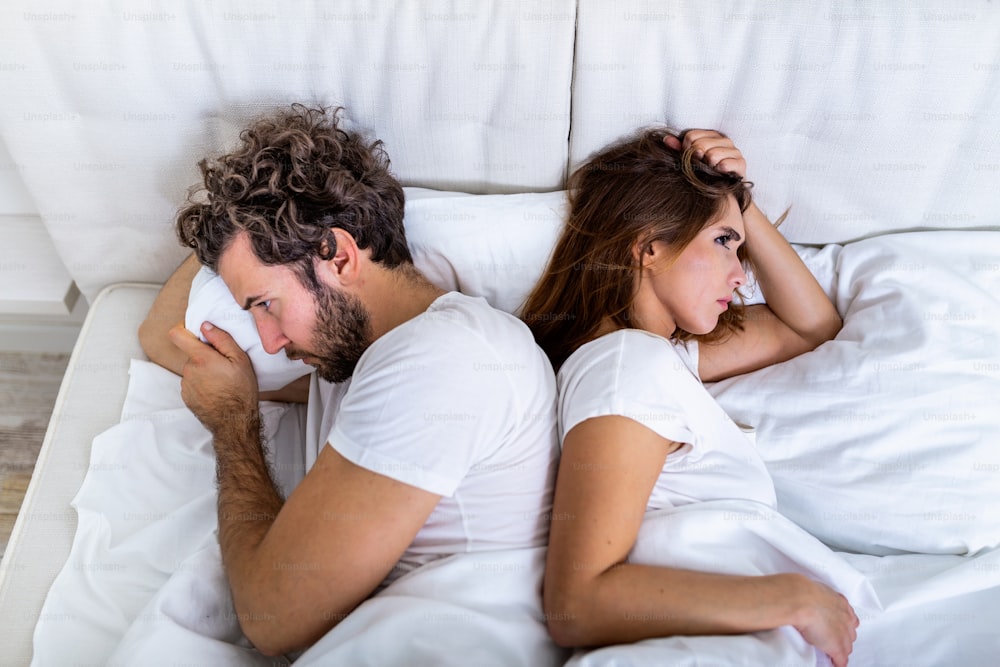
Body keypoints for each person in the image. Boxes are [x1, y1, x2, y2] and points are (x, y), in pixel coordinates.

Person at [140, 105, 561, 660]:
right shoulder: (349, 362)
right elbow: (160, 337)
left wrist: (233, 428)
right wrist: (229, 222)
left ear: (337, 257)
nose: (268, 341)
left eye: (265, 304)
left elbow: (273, 618)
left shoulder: (443, 357)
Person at [521, 129, 859, 666]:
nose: (741, 277)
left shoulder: (654, 359)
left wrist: (739, 203)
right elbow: (577, 603)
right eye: (724, 242)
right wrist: (791, 597)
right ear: (649, 246)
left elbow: (811, 328)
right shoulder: (627, 364)